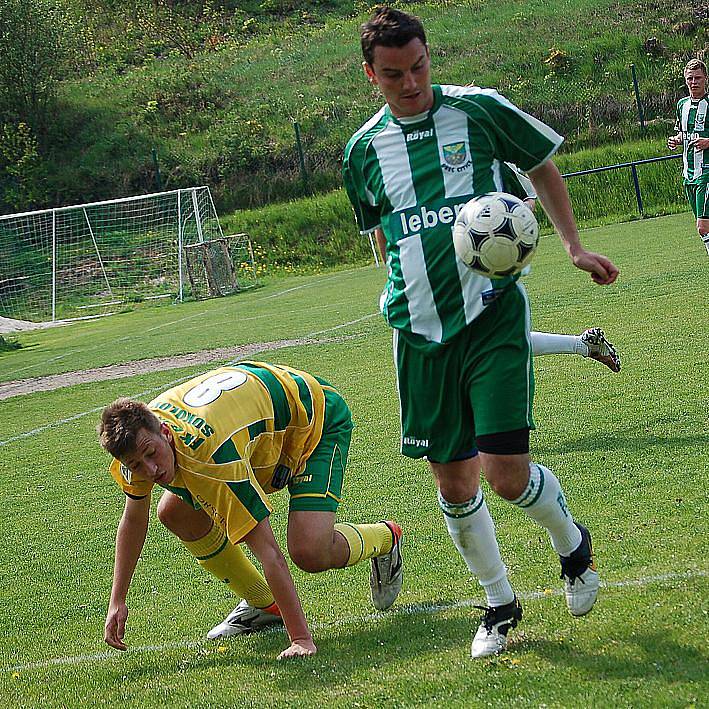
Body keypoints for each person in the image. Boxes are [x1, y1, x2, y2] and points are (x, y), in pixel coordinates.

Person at [343, 7, 619, 659]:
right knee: (453, 483)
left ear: (427, 57)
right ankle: (498, 603)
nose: (409, 83)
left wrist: (573, 245)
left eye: (418, 67)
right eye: (392, 75)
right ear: (369, 75)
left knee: (503, 474)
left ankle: (572, 549)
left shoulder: (477, 111)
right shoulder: (361, 151)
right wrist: (398, 284)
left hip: (492, 317)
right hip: (416, 334)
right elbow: (379, 231)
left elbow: (543, 166)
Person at [97, 361, 403, 660]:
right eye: (136, 465)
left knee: (309, 551)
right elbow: (134, 518)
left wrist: (301, 640)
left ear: (165, 432)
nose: (149, 470)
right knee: (175, 512)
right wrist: (117, 600)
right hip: (257, 422)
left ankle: (386, 537)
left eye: (152, 455)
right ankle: (264, 605)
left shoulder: (213, 461)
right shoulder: (136, 450)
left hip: (313, 421)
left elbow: (268, 552)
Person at [667, 58, 709, 255]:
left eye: (698, 78)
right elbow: (683, 133)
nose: (694, 82)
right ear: (685, 80)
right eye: (690, 78)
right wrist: (676, 140)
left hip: (706, 173)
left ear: (706, 79)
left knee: (703, 227)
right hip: (688, 173)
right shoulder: (681, 105)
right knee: (704, 227)